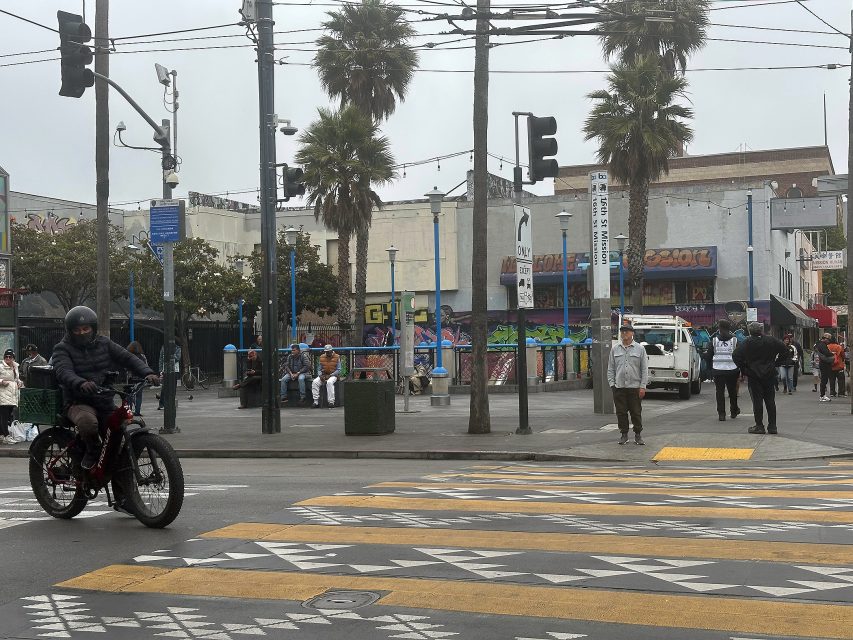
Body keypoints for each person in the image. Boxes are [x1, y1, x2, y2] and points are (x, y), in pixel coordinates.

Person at [52, 307, 157, 469]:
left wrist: (147, 373)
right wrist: (80, 383)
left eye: (86, 328)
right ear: (70, 331)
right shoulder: (62, 348)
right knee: (88, 423)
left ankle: (122, 491)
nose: (82, 332)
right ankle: (92, 450)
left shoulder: (104, 343)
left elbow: (127, 358)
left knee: (117, 444)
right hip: (78, 401)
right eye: (77, 330)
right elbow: (63, 371)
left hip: (104, 399)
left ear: (93, 328)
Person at [732, 322, 789, 435]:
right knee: (770, 401)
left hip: (754, 375)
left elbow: (736, 355)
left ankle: (759, 425)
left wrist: (744, 367)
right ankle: (772, 426)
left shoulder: (747, 342)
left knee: (757, 401)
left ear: (750, 331)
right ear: (761, 330)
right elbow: (785, 350)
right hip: (769, 373)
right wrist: (776, 363)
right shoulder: (771, 340)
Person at [607, 323, 648, 446]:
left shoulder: (640, 349)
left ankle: (638, 434)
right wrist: (612, 385)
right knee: (621, 412)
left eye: (626, 331)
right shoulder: (615, 349)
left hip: (634, 387)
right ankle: (624, 434)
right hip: (619, 387)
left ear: (632, 333)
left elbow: (644, 369)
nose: (624, 334)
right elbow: (611, 368)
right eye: (622, 332)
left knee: (636, 412)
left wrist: (642, 386)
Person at [704, 318, 741, 421]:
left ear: (719, 329)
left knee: (719, 392)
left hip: (718, 369)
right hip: (732, 370)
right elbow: (739, 355)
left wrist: (709, 368)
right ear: (729, 328)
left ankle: (721, 414)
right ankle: (734, 411)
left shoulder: (714, 341)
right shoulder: (735, 340)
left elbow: (709, 356)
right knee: (732, 391)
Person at [0, 349, 22, 445]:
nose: (8, 358)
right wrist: (1, 381)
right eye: (6, 357)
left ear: (13, 358)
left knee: (8, 416)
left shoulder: (15, 366)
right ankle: (6, 436)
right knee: (4, 416)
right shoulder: (1, 367)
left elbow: (16, 379)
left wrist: (20, 383)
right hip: (3, 394)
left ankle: (2, 435)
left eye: (10, 357)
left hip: (12, 395)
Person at [157, 339, 182, 410]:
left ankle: (171, 403)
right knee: (164, 388)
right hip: (165, 370)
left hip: (175, 370)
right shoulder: (163, 347)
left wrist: (169, 355)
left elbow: (177, 358)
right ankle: (162, 404)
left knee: (173, 388)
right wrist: (160, 370)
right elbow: (161, 359)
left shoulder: (177, 348)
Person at [126, 341, 148, 417]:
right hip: (141, 378)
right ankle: (137, 411)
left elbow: (127, 367)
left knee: (129, 395)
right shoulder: (143, 356)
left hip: (132, 378)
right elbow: (146, 366)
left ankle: (129, 411)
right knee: (139, 395)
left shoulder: (129, 356)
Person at [815, 333, 838, 402]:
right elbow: (826, 353)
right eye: (828, 340)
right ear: (825, 338)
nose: (829, 341)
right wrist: (832, 354)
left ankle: (823, 395)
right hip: (824, 364)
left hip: (823, 363)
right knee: (824, 380)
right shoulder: (822, 345)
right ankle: (822, 396)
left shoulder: (819, 344)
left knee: (824, 379)